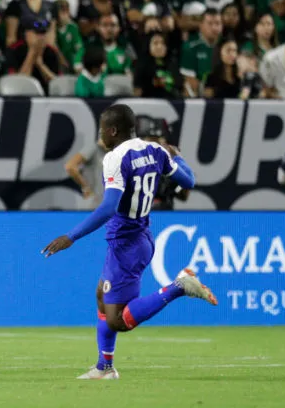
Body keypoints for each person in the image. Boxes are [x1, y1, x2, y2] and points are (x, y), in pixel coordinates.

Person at [42, 104, 215, 380]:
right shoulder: (157, 151)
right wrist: (178, 157)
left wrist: (71, 236)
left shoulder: (115, 157)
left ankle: (179, 287)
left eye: (102, 130)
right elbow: (189, 180)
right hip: (139, 237)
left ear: (112, 130)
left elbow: (109, 207)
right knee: (102, 295)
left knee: (118, 320)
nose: (101, 137)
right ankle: (104, 367)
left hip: (127, 243)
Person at [135, 116, 189, 210]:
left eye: (158, 141)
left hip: (164, 216)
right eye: (150, 140)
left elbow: (183, 195)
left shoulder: (171, 166)